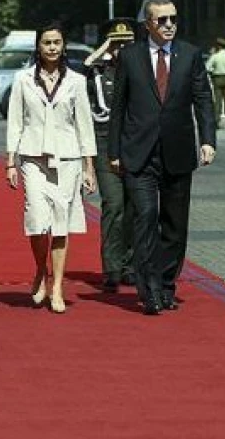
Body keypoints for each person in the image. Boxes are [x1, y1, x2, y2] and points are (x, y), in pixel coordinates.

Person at [109, 0, 217, 315]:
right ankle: (149, 288)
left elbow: (204, 100)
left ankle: (167, 284)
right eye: (162, 20)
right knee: (145, 218)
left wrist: (208, 140)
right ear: (148, 25)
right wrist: (113, 152)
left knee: (174, 225)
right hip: (139, 154)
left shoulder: (190, 55)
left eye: (173, 18)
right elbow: (118, 109)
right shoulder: (129, 56)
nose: (169, 24)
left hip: (177, 151)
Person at [5, 23, 98, 314]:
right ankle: (39, 270)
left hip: (67, 158)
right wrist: (10, 162)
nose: (52, 47)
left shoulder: (76, 81)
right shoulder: (22, 80)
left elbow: (85, 125)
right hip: (32, 157)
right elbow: (15, 121)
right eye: (47, 42)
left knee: (60, 224)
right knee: (36, 219)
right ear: (38, 46)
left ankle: (57, 284)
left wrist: (89, 167)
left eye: (57, 42)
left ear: (64, 45)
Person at [84, 19, 138, 292]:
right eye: (116, 44)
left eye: (126, 43)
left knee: (133, 207)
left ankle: (130, 266)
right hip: (105, 141)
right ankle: (112, 268)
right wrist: (105, 48)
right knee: (114, 204)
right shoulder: (98, 70)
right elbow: (81, 69)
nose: (121, 49)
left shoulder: (140, 69)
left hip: (133, 143)